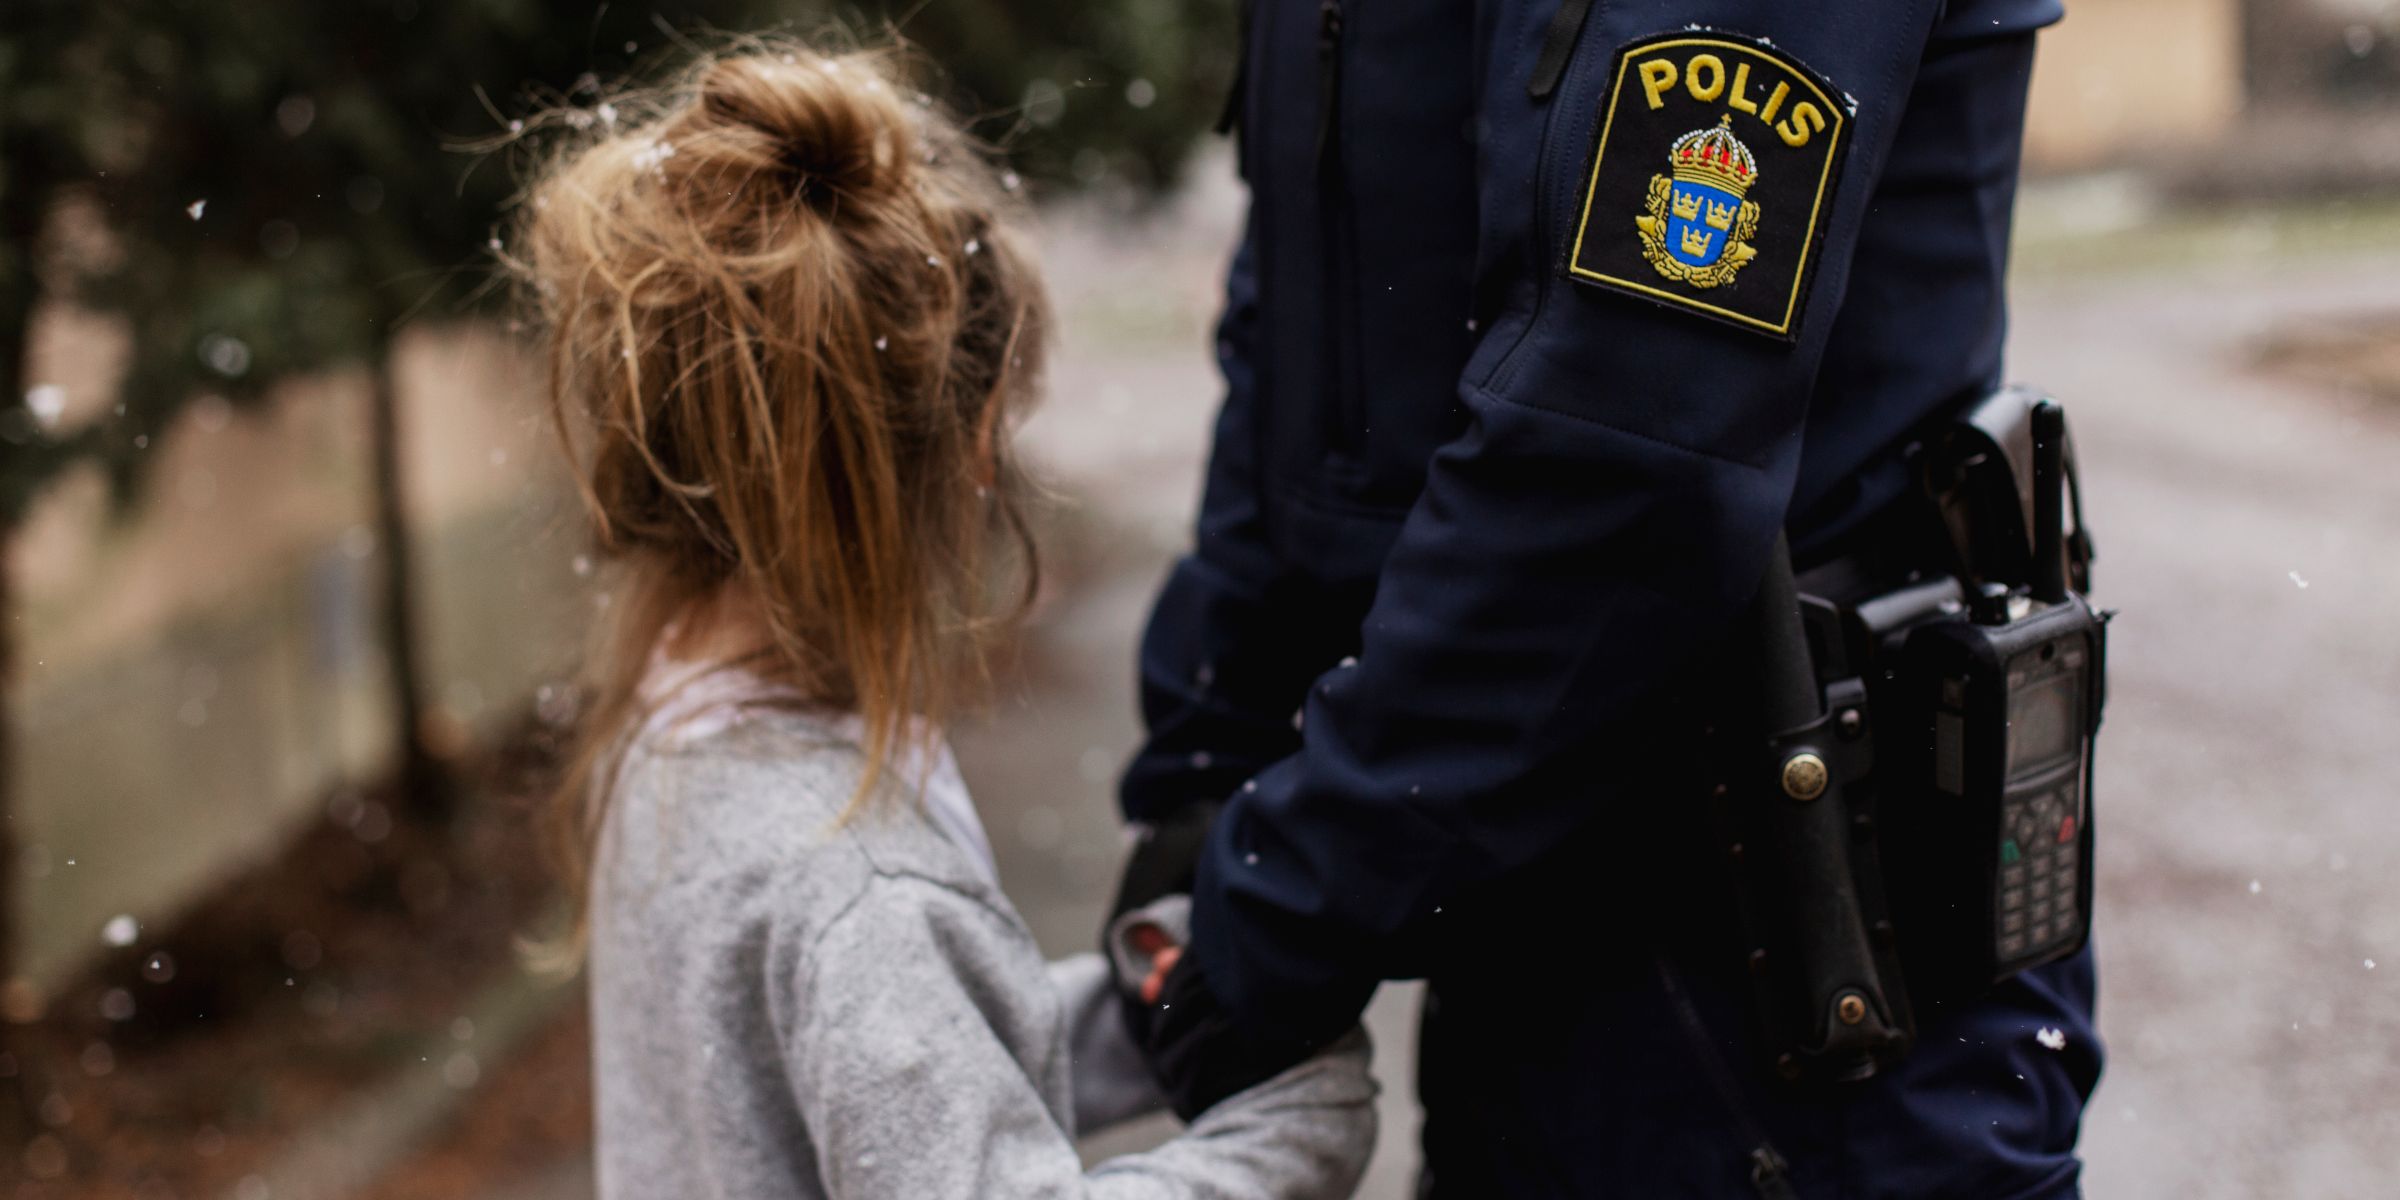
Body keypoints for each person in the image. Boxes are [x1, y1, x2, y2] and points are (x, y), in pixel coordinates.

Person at [1114, 0, 2103, 1195]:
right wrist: (1212, 756)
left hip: (1804, 964)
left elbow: (1628, 462)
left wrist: (1294, 894)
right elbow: (1310, 325)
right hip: (1519, 904)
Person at [509, 44, 1376, 1199]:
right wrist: (1294, 1132)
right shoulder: (863, 892)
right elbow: (890, 1018)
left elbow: (885, 1069)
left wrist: (1138, 1018)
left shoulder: (673, 737)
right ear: (967, 447)